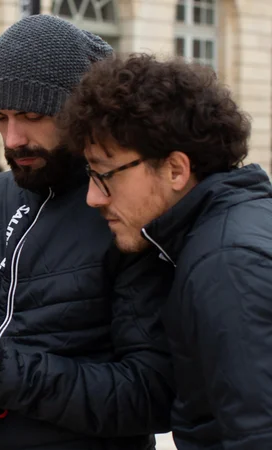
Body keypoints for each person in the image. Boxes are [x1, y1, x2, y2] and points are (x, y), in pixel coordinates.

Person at [0, 15, 175, 449]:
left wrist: (2, 377)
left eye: (32, 115)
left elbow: (152, 394)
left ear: (82, 114)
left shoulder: (128, 210)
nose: (12, 139)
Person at [60, 53, 272, 449]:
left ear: (176, 170)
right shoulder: (228, 231)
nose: (92, 197)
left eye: (104, 174)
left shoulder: (226, 264)